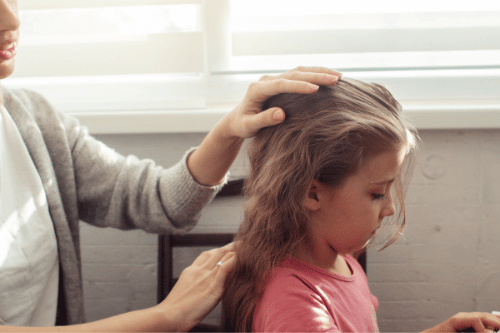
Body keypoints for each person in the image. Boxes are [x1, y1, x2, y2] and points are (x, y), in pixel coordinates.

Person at [0, 0, 343, 331]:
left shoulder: (34, 122)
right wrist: (168, 317)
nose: (11, 20)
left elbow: (159, 202)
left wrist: (229, 130)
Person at [221, 79, 500, 332]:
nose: (390, 208)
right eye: (377, 194)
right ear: (313, 193)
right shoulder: (296, 307)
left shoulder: (340, 262)